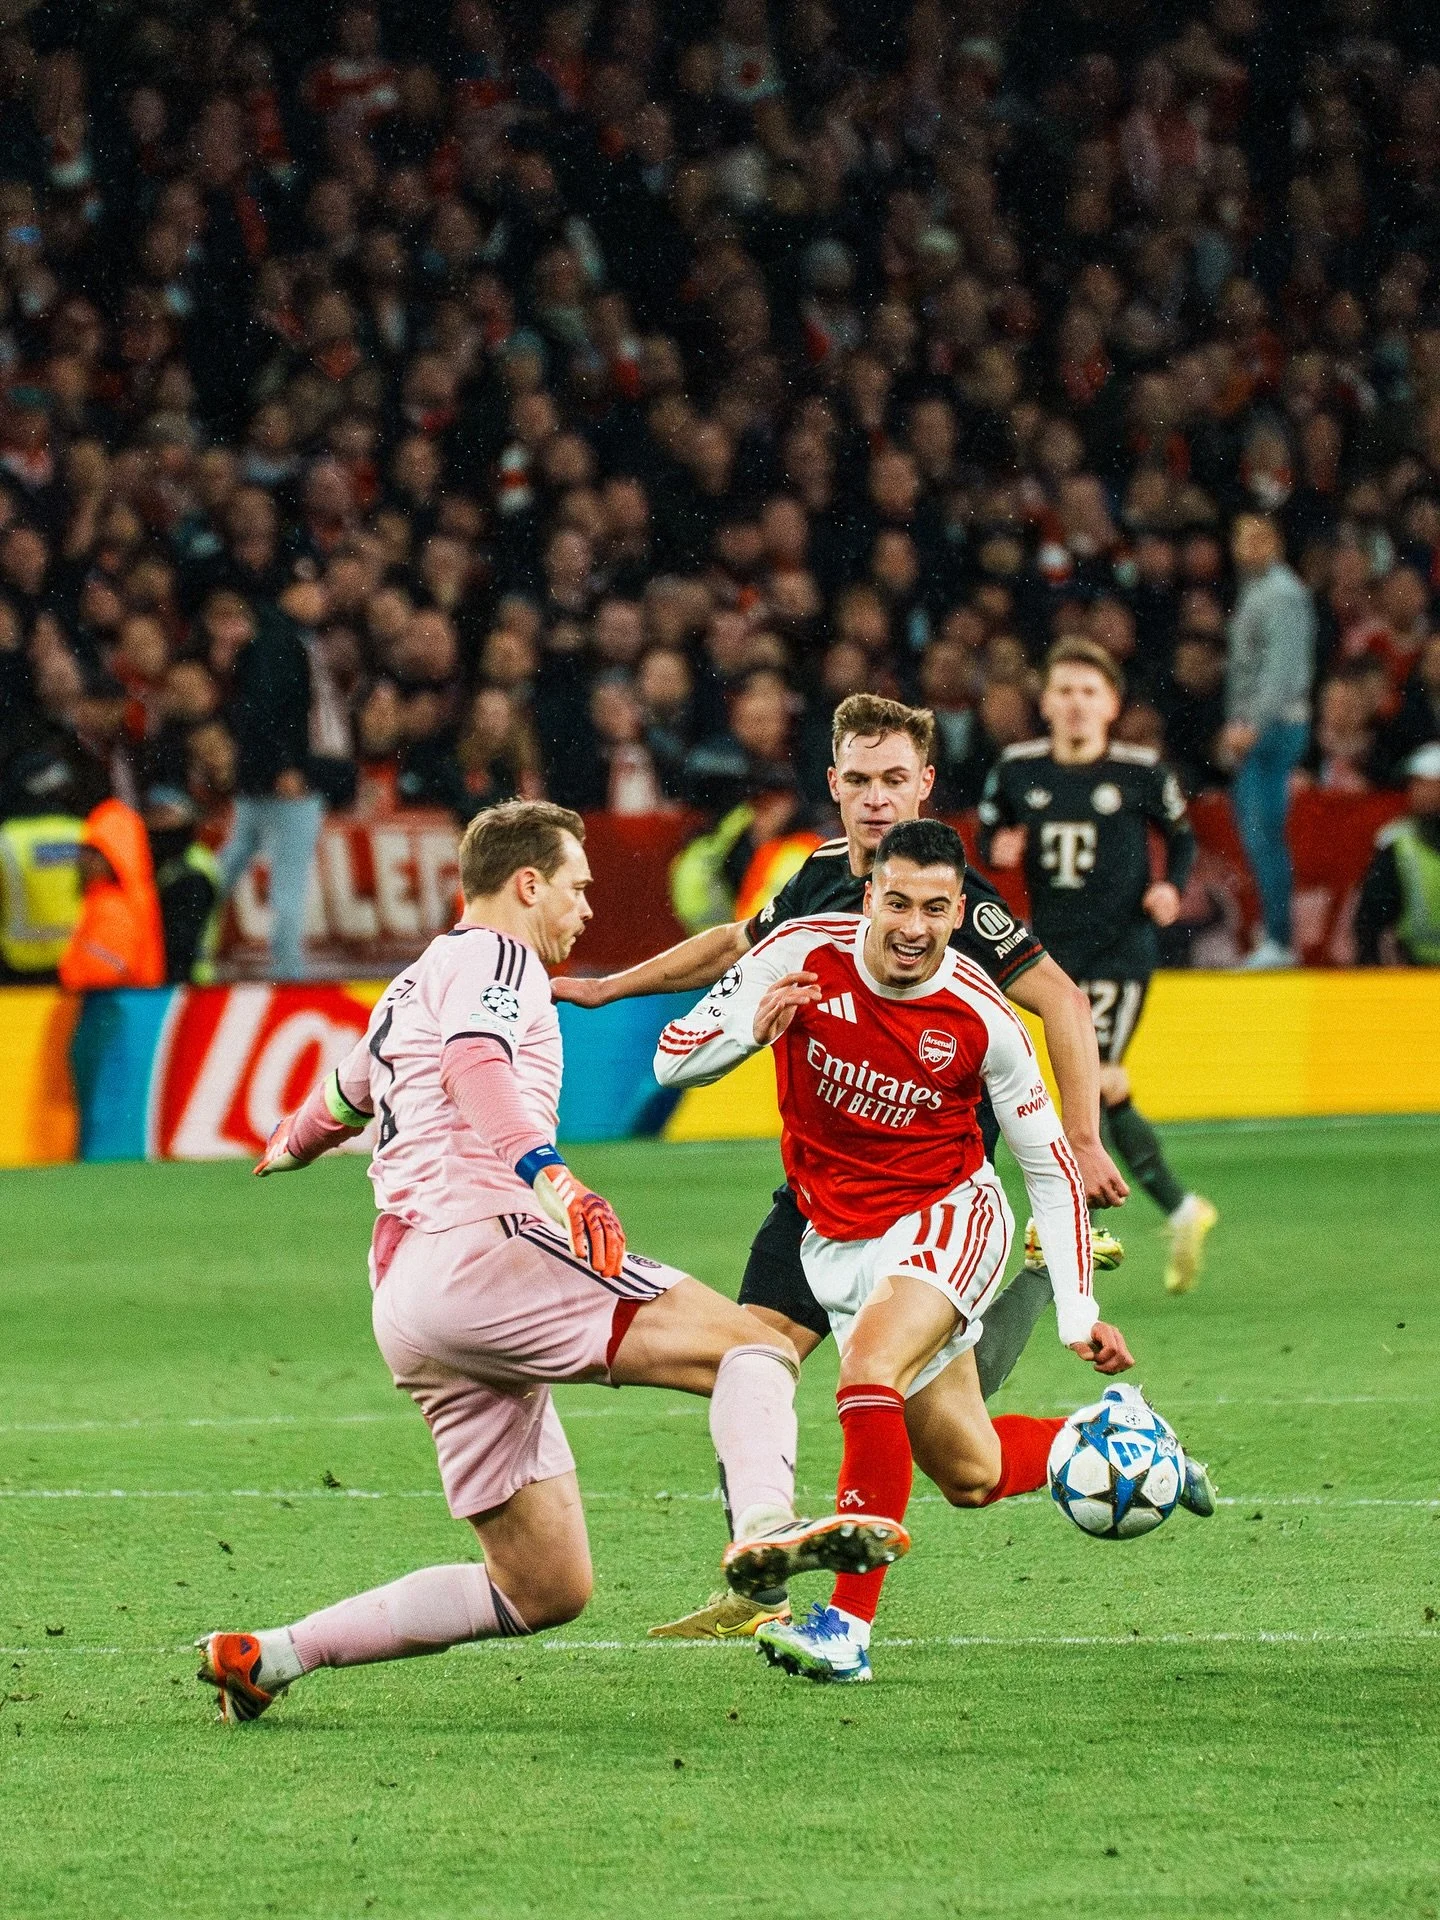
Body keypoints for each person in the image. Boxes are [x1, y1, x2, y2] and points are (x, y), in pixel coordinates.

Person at [195, 801, 895, 1726]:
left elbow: (345, 1094)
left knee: (542, 1586)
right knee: (753, 1349)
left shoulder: (413, 980)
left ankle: (273, 1655)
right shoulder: (499, 958)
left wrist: (290, 1139)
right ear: (528, 884)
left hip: (410, 1307)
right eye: (578, 888)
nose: (587, 910)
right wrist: (552, 1178)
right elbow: (476, 1064)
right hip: (483, 1243)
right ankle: (765, 1533)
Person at [555, 692, 1130, 1639]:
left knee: (904, 1407)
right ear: (834, 784)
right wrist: (614, 988)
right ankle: (761, 1576)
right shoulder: (821, 878)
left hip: (928, 1198)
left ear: (925, 786)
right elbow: (735, 952)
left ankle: (842, 1621)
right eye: (860, 781)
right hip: (823, 1196)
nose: (876, 801)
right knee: (765, 1367)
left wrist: (1082, 1137)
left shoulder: (955, 905)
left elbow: (1062, 1003)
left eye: (894, 781)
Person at [654, 820, 1214, 1684]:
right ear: (869, 896)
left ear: (960, 913)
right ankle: (1138, 1450)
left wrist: (1077, 1310)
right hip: (836, 1241)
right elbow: (670, 1060)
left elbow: (1048, 1166)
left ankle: (844, 1629)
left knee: (866, 1373)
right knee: (971, 1471)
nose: (915, 926)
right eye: (899, 903)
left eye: (937, 909)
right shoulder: (800, 952)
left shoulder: (984, 1018)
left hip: (948, 1220)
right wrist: (750, 1033)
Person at [979, 641, 1218, 1294]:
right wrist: (997, 848)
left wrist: (1171, 885)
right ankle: (1179, 1207)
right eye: (1065, 691)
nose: (1077, 703)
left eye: (1090, 692)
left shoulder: (1141, 772)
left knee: (1097, 1077)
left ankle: (1076, 1228)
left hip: (1121, 949)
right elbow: (990, 832)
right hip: (1048, 955)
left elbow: (1183, 835)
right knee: (1101, 1088)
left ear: (1111, 705)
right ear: (1046, 703)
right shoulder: (1017, 769)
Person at [212, 594, 324, 982]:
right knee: (288, 883)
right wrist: (285, 765)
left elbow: (252, 714)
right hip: (285, 784)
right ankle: (288, 973)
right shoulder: (280, 642)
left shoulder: (263, 646)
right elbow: (273, 711)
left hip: (256, 780)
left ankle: (180, 940)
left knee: (227, 866)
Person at [1221, 515, 1316, 969]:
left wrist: (1250, 724)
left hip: (1272, 728)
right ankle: (1275, 938)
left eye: (1258, 537)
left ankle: (1279, 940)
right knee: (1258, 837)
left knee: (1264, 836)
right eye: (1241, 538)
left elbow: (1281, 670)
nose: (1247, 547)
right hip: (1263, 725)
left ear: (1276, 542)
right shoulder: (1259, 590)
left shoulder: (1281, 593)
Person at [57, 797, 166, 990]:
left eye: (95, 852)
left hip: (113, 1010)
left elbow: (105, 974)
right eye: (85, 849)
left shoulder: (114, 905)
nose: (85, 859)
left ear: (116, 856)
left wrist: (70, 973)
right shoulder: (120, 896)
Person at [1354, 743, 1440, 965]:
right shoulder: (1398, 842)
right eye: (1415, 784)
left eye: (1427, 784)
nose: (1418, 792)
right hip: (1414, 971)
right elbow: (1370, 918)